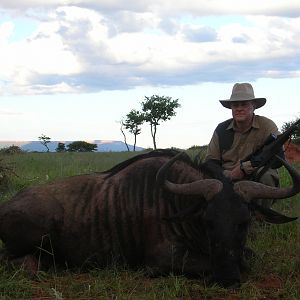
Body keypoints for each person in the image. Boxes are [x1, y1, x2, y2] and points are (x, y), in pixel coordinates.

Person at [205, 82, 282, 207]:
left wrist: (244, 169)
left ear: (254, 106)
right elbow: (210, 162)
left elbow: (278, 158)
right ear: (231, 108)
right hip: (226, 179)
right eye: (235, 105)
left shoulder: (267, 125)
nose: (239, 108)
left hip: (255, 176)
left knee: (266, 175)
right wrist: (226, 174)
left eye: (244, 104)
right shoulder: (221, 129)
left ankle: (260, 216)